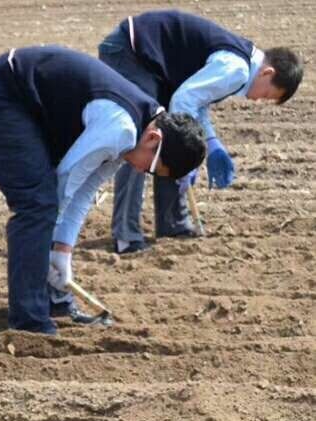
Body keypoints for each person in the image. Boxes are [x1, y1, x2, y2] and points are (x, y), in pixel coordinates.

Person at [0, 46, 207, 334]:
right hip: (1, 97)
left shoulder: (138, 131)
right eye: (153, 168)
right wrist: (50, 242)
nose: (143, 172)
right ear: (154, 139)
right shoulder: (121, 130)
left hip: (31, 107)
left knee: (47, 207)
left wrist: (62, 250)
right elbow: (67, 181)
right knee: (38, 206)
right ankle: (29, 321)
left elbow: (84, 192)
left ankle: (56, 304)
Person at [98, 10, 302, 253]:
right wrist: (189, 161)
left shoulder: (241, 66)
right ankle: (126, 236)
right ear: (268, 73)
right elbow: (184, 102)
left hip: (157, 67)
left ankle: (173, 223)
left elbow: (195, 102)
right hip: (131, 53)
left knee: (175, 139)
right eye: (267, 95)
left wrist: (212, 142)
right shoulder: (237, 69)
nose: (259, 100)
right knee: (144, 137)